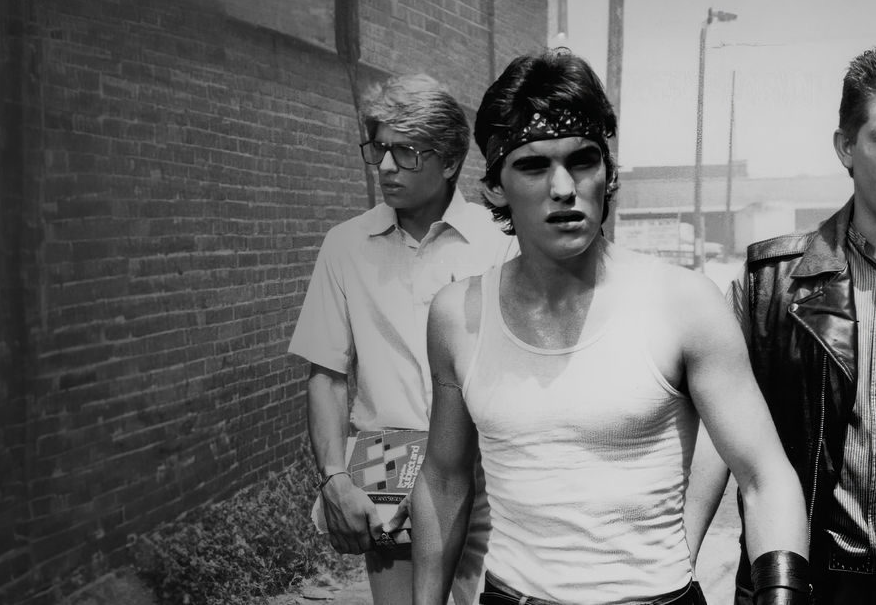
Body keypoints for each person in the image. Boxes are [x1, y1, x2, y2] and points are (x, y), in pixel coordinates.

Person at [411, 49, 811, 605]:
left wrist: (781, 594)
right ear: (497, 186)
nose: (563, 187)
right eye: (533, 166)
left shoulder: (682, 304)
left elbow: (766, 477)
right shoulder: (458, 315)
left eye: (582, 160)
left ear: (609, 172)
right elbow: (443, 478)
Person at [687, 39, 876, 605]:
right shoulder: (770, 286)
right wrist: (669, 573)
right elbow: (718, 439)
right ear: (845, 147)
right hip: (800, 588)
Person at [289, 73, 516, 605]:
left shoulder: (500, 242)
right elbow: (326, 375)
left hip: (492, 478)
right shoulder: (345, 246)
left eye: (407, 152)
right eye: (380, 149)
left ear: (450, 161)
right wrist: (334, 479)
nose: (387, 166)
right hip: (388, 471)